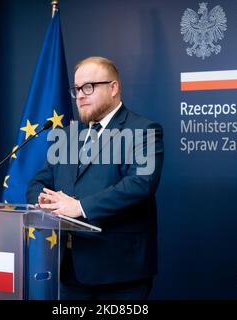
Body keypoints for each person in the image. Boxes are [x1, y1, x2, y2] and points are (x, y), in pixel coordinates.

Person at [27, 56, 164, 300]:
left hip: (121, 273)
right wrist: (45, 202)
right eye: (77, 89)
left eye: (89, 87)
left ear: (113, 88)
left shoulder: (144, 130)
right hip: (70, 272)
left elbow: (142, 183)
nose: (80, 95)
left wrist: (78, 207)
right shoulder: (67, 135)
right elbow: (39, 181)